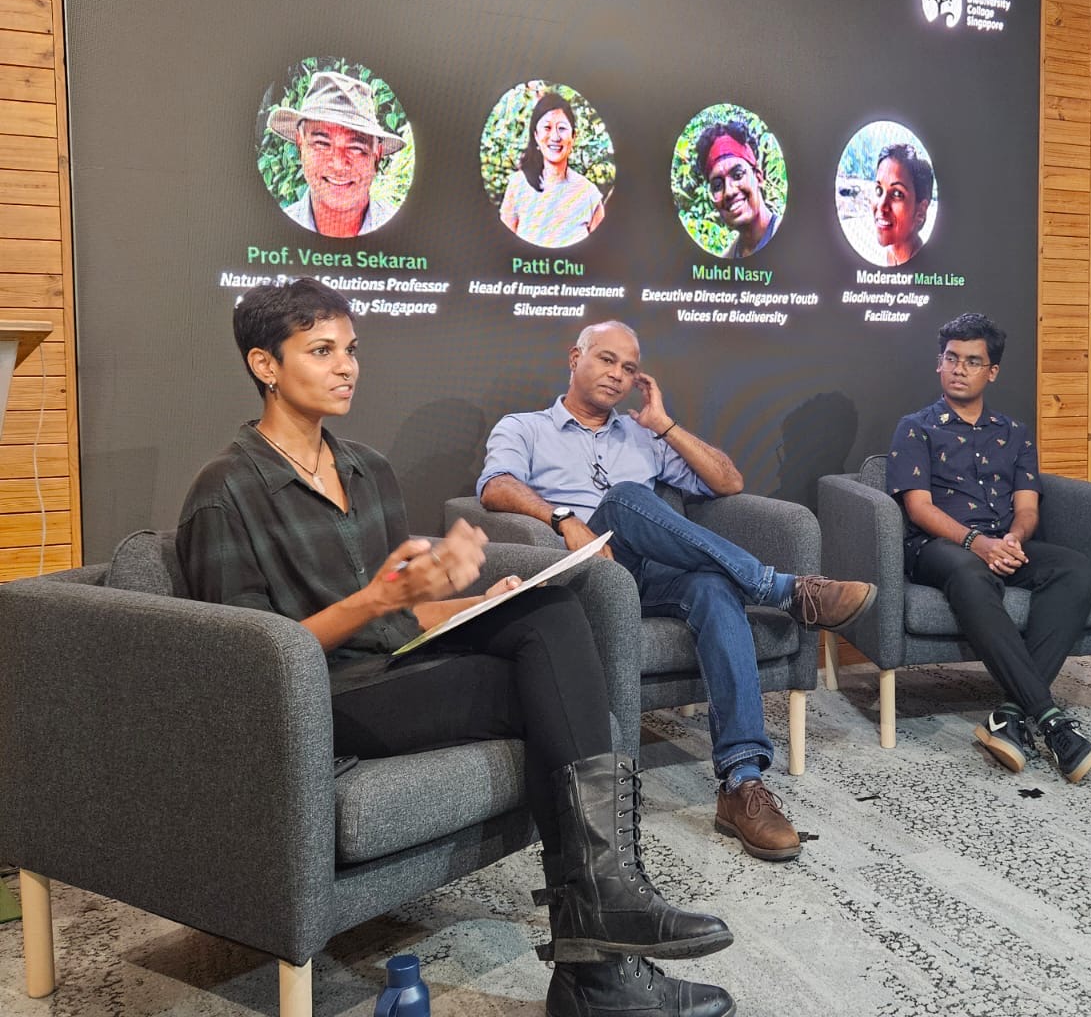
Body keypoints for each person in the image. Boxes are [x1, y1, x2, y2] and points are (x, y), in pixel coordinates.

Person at [177, 280, 733, 1017]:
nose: (347, 367)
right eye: (321, 351)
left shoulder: (367, 468)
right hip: (316, 700)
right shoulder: (225, 491)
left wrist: (476, 601)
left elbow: (403, 611)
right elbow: (243, 665)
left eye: (351, 350)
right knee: (553, 699)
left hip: (393, 665)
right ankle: (598, 963)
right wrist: (381, 598)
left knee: (550, 611)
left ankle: (602, 926)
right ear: (265, 365)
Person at [478, 320, 877, 862]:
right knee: (622, 498)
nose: (617, 375)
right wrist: (564, 519)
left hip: (647, 575)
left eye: (629, 368)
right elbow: (495, 486)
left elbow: (728, 482)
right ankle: (782, 589)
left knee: (712, 586)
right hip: (584, 577)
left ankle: (741, 782)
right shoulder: (525, 427)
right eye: (606, 360)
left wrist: (664, 425)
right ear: (575, 358)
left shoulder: (641, 434)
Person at [887, 312, 1091, 783]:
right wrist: (976, 542)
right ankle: (1050, 718)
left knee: (1075, 569)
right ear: (939, 363)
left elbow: (1027, 508)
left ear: (992, 371)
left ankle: (1009, 714)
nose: (959, 369)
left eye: (972, 361)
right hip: (939, 547)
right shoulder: (916, 427)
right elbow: (919, 508)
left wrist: (1014, 539)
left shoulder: (1015, 432)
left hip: (1001, 543)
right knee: (970, 572)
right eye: (951, 358)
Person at [268, 71, 406, 238]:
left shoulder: (406, 235)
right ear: (300, 144)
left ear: (377, 155)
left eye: (355, 148)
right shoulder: (271, 234)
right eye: (322, 144)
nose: (339, 165)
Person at [500, 91, 606, 248]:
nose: (555, 137)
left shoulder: (589, 193)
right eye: (547, 127)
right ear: (536, 135)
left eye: (562, 128)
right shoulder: (518, 185)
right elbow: (502, 247)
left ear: (573, 137)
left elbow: (601, 251)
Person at [693, 121, 778, 258]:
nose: (729, 192)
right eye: (717, 186)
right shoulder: (725, 262)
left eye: (738, 175)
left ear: (758, 177)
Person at [870, 143, 933, 266]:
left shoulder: (926, 269)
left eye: (897, 194)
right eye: (879, 190)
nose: (881, 206)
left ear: (921, 211)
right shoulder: (891, 254)